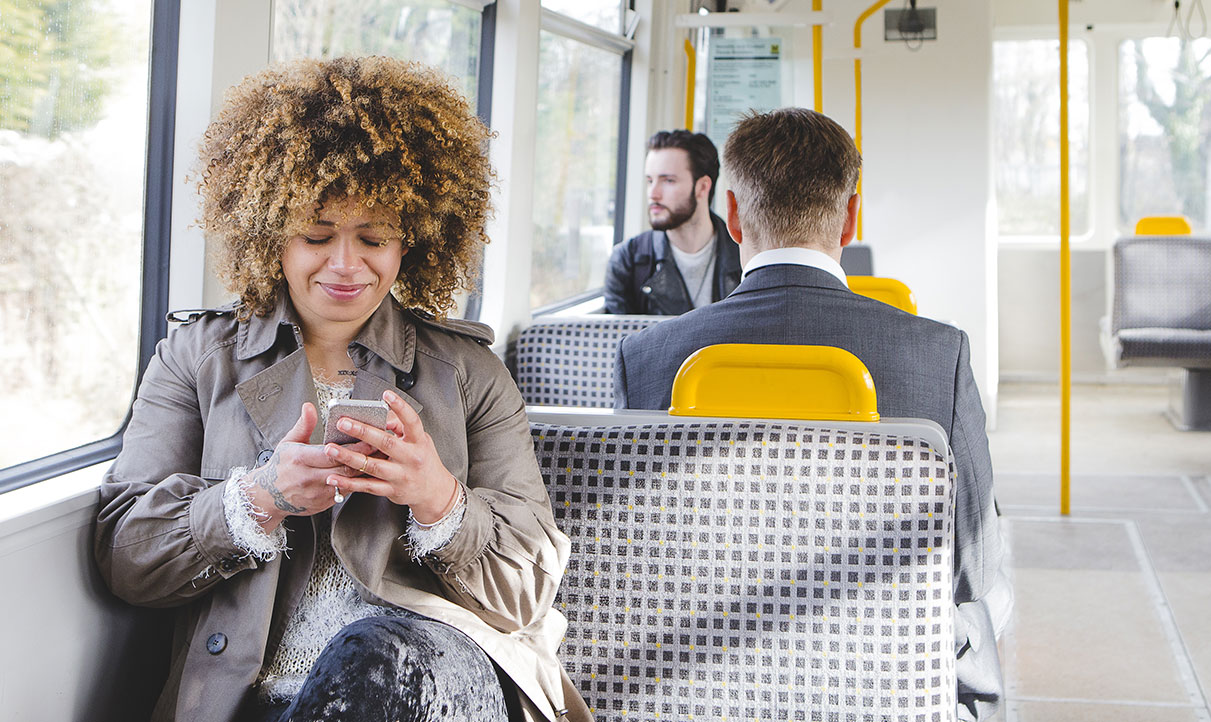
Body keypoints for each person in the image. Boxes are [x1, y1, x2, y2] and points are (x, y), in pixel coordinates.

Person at [94, 57, 588, 722]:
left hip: (433, 679)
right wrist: (259, 498)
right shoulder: (194, 359)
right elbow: (127, 556)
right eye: (317, 236)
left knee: (373, 650)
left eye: (374, 238)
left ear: (410, 240)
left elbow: (526, 590)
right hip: (250, 694)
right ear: (271, 236)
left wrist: (437, 498)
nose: (347, 265)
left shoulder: (472, 373)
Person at [612, 108, 1007, 721]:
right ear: (851, 218)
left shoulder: (647, 357)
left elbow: (633, 557)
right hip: (879, 679)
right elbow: (973, 565)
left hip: (696, 681)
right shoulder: (938, 355)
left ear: (734, 216)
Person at [603, 130, 741, 315]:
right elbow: (619, 341)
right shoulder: (627, 262)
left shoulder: (745, 255)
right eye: (650, 181)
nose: (653, 193)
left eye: (668, 181)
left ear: (702, 187)